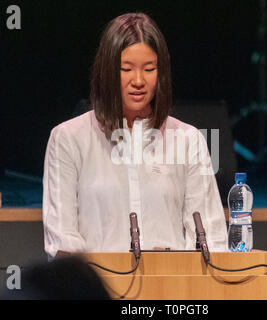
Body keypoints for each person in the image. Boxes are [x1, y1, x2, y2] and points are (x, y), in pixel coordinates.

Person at [42, 12, 228, 259]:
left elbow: (212, 239)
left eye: (149, 69)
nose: (138, 81)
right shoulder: (68, 139)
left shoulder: (188, 139)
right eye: (126, 69)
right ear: (107, 72)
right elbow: (62, 242)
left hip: (172, 290)